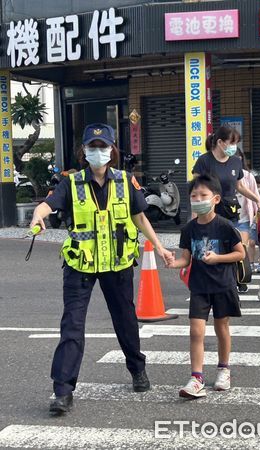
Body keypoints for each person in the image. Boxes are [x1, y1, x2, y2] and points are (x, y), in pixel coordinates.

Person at [30, 123, 173, 414]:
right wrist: (38, 215)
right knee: (72, 325)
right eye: (93, 147)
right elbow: (49, 204)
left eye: (103, 146)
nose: (98, 152)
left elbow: (140, 217)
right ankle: (62, 390)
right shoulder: (70, 182)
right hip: (80, 265)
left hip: (117, 263)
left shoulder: (125, 180)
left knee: (125, 320)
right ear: (84, 151)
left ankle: (137, 370)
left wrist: (159, 247)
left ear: (112, 150)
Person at [168, 174, 245, 398]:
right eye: (194, 196)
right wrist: (175, 263)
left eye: (203, 195)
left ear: (216, 199)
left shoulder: (225, 227)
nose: (198, 199)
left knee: (222, 327)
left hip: (223, 285)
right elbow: (186, 259)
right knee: (196, 330)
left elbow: (240, 254)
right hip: (199, 286)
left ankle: (223, 369)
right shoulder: (189, 229)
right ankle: (196, 377)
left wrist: (217, 258)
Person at [192, 126, 260, 226]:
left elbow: (240, 186)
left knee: (232, 240)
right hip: (209, 213)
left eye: (235, 143)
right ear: (220, 142)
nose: (234, 146)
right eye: (232, 143)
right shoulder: (204, 160)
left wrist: (257, 200)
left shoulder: (236, 161)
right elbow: (194, 190)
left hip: (230, 211)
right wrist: (194, 219)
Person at [235, 148, 260, 292]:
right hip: (225, 218)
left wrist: (259, 206)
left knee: (240, 248)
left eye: (237, 157)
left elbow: (255, 193)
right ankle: (232, 279)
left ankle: (240, 279)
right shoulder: (221, 175)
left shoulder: (248, 176)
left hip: (243, 218)